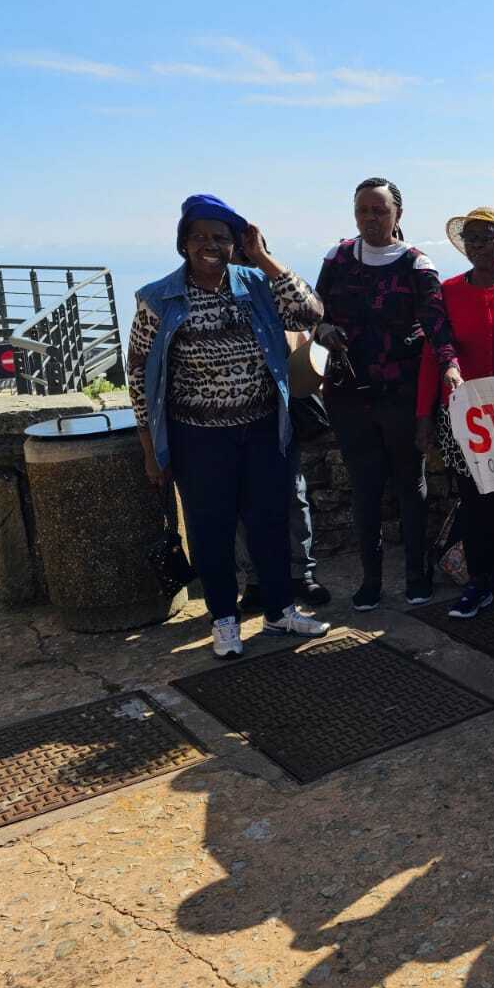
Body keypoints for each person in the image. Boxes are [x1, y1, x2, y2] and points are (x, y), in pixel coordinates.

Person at [128, 194, 331, 658]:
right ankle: (223, 619)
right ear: (183, 243)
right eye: (198, 236)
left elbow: (310, 313)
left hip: (262, 430)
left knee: (269, 524)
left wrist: (262, 256)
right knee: (210, 530)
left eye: (220, 237)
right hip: (197, 437)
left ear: (235, 243)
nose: (209, 245)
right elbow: (138, 373)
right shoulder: (158, 298)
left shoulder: (257, 284)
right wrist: (149, 448)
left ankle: (279, 610)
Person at [314, 177, 462, 611]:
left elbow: (437, 326)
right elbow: (316, 312)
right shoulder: (338, 258)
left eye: (379, 210)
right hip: (348, 394)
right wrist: (323, 330)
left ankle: (416, 575)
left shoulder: (417, 265)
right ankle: (371, 580)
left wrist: (450, 366)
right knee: (364, 488)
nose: (370, 218)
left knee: (410, 485)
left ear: (398, 213)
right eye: (363, 210)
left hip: (402, 394)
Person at [417, 207, 494, 617]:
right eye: (471, 239)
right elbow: (433, 354)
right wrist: (423, 415)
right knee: (473, 498)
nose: (478, 246)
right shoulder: (448, 291)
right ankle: (479, 579)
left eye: (487, 238)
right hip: (465, 416)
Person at [235, 327, 327, 613]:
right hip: (232, 420)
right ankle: (255, 581)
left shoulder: (279, 309)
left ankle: (301, 574)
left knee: (294, 496)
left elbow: (306, 351)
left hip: (279, 417)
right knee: (241, 502)